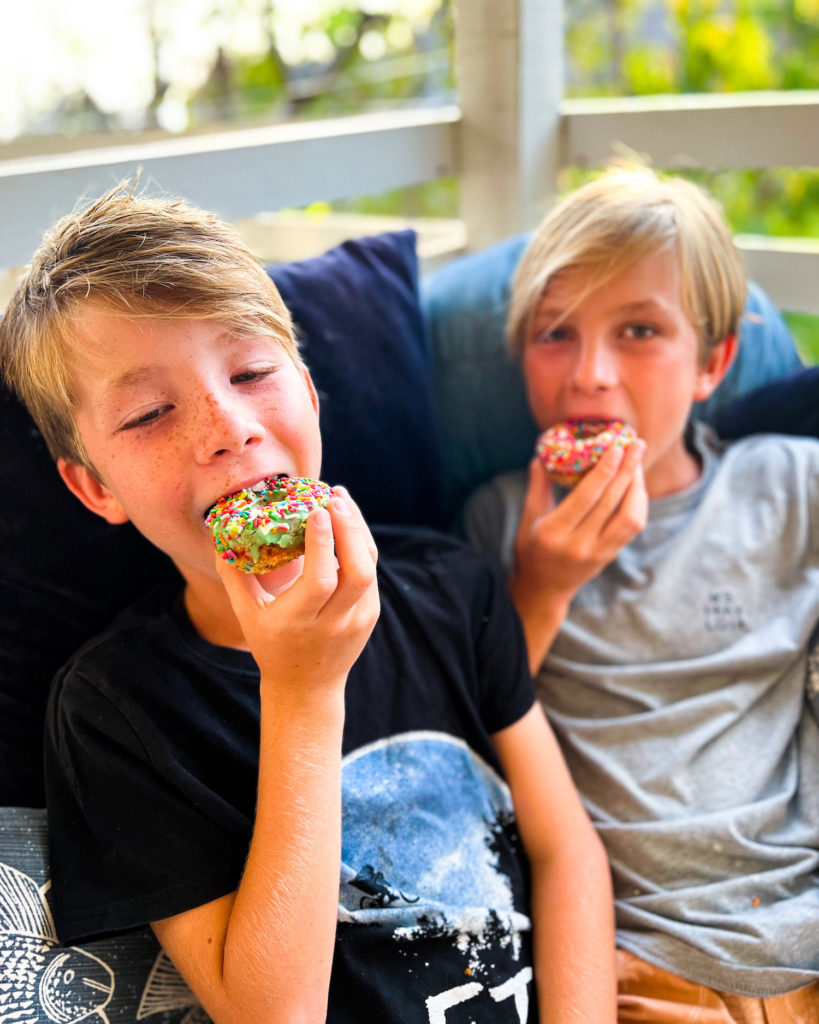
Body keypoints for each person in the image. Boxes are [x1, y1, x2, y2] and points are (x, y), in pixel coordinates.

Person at [0, 183, 617, 1024]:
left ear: (311, 394)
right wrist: (301, 690)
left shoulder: (450, 585)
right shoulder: (115, 711)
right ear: (93, 486)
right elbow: (272, 1013)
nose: (227, 426)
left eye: (252, 371)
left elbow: (564, 849)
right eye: (148, 414)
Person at [464, 163, 819, 1021]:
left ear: (712, 362)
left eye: (637, 331)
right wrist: (539, 589)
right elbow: (465, 739)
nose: (588, 373)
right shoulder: (499, 518)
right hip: (634, 966)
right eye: (554, 334)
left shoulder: (790, 487)